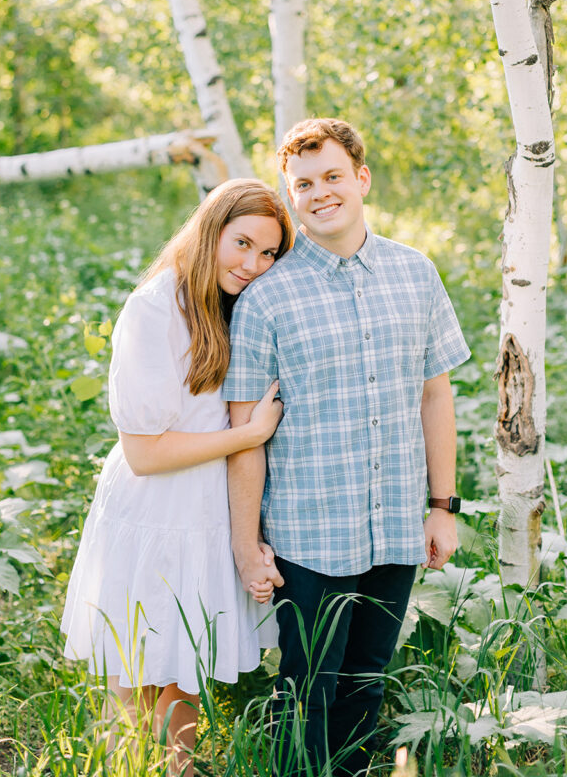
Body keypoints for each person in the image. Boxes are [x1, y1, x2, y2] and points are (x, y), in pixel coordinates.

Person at [223, 118, 470, 776]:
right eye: (303, 184)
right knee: (305, 697)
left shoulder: (413, 273)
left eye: (332, 176)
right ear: (291, 195)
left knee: (366, 688)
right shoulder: (265, 300)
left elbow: (433, 396)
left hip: (392, 528)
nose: (319, 192)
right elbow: (243, 436)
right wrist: (247, 546)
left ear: (360, 178)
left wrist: (440, 505)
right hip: (308, 538)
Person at [61, 178, 293, 776]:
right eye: (242, 243)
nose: (253, 264)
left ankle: (178, 769)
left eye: (268, 253)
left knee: (183, 670)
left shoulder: (237, 304)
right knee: (137, 673)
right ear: (210, 229)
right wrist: (248, 434)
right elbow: (145, 452)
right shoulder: (155, 308)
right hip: (153, 509)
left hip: (206, 511)